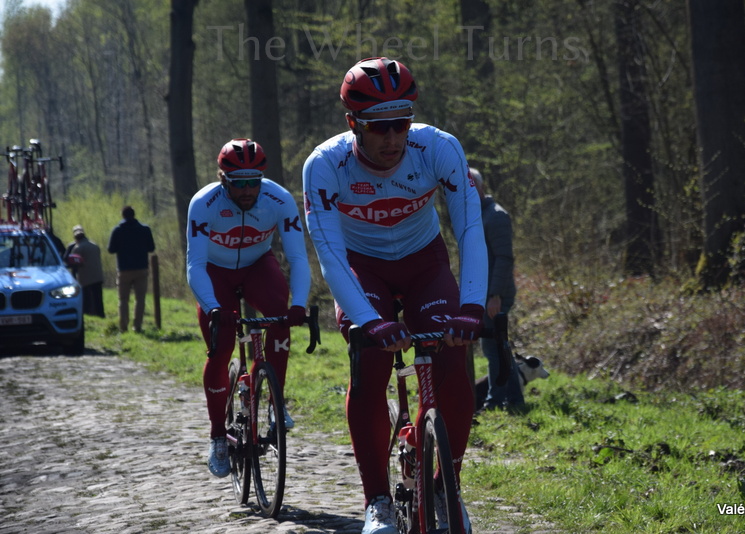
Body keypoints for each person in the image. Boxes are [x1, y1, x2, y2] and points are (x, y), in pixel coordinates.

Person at [303, 57, 487, 534]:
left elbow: (469, 228)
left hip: (424, 261)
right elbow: (328, 251)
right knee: (370, 360)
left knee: (454, 356)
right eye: (377, 127)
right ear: (352, 124)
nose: (392, 138)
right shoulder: (326, 164)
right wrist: (368, 320)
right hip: (361, 267)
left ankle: (448, 488)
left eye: (400, 124)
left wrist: (472, 306)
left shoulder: (438, 147)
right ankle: (378, 501)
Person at [186, 138, 311, 479]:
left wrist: (299, 304)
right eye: (238, 182)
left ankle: (275, 400)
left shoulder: (279, 199)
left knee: (280, 313)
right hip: (215, 271)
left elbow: (298, 257)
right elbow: (195, 264)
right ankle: (217, 436)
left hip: (257, 265)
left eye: (252, 182)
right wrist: (212, 307)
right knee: (222, 347)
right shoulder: (204, 203)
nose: (246, 190)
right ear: (222, 179)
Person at [470, 167, 522, 412]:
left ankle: (494, 401)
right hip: (483, 293)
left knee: (493, 348)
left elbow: (504, 258)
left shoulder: (496, 216)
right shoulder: (475, 215)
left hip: (495, 294)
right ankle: (513, 399)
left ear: (480, 186)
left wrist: (495, 296)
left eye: (471, 185)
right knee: (499, 346)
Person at [107, 206, 156, 333]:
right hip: (141, 268)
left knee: (123, 299)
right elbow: (151, 248)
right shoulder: (145, 229)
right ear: (134, 215)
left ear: (122, 215)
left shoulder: (118, 230)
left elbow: (111, 249)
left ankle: (123, 327)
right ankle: (137, 326)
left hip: (124, 269)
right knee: (140, 299)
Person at [65, 225, 105, 318]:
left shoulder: (77, 248)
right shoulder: (95, 245)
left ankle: (87, 314)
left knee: (86, 297)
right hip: (98, 275)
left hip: (85, 277)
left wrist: (73, 275)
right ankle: (101, 314)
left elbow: (74, 263)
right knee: (98, 297)